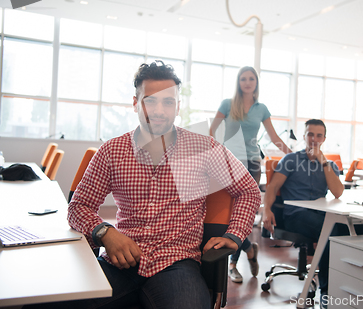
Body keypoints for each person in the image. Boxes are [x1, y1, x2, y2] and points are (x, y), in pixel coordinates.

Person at [28, 61, 261, 309]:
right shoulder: (112, 150)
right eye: (150, 100)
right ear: (135, 103)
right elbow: (79, 206)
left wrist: (235, 235)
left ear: (178, 106)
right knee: (44, 304)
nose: (159, 110)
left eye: (168, 101)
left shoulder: (204, 148)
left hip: (177, 264)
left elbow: (248, 190)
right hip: (121, 260)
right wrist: (105, 232)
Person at [262, 119, 363, 308]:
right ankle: (328, 292)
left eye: (318, 135)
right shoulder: (291, 160)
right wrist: (266, 210)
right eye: (310, 134)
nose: (314, 139)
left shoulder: (329, 165)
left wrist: (323, 161)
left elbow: (338, 192)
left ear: (324, 138)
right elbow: (273, 187)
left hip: (322, 215)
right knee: (331, 234)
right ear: (304, 136)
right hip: (295, 216)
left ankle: (357, 282)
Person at [209, 66, 292, 283]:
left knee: (242, 213)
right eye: (243, 78)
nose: (247, 82)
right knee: (228, 214)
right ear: (238, 82)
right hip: (228, 162)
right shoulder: (227, 104)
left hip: (253, 163)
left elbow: (274, 137)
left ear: (256, 82)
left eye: (251, 79)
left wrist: (293, 155)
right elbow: (212, 131)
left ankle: (233, 265)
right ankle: (248, 248)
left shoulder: (261, 108)